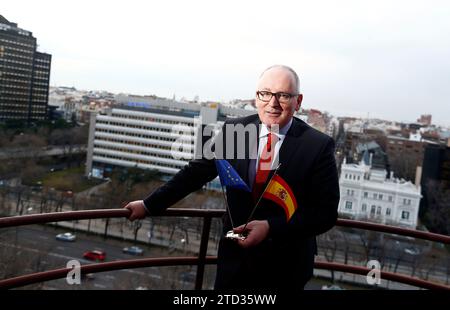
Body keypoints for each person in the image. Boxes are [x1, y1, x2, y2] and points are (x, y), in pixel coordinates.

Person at [124, 65, 339, 290]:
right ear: (256, 97)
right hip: (235, 259)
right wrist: (149, 205)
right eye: (265, 94)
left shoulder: (317, 146)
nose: (272, 103)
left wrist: (270, 227)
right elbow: (196, 172)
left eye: (283, 95)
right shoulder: (236, 130)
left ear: (298, 101)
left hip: (285, 266)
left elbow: (325, 213)